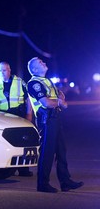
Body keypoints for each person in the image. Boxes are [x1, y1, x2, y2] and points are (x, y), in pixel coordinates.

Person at [27, 57, 84, 193]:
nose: (44, 63)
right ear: (34, 69)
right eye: (41, 63)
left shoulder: (46, 81)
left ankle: (65, 182)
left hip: (54, 118)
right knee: (47, 152)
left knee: (61, 151)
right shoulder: (34, 83)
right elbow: (46, 103)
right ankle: (43, 184)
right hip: (46, 120)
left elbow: (56, 97)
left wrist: (59, 98)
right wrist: (59, 103)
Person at [0, 61, 33, 177]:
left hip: (18, 115)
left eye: (4, 70)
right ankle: (5, 167)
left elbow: (28, 99)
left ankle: (24, 169)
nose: (1, 72)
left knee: (22, 141)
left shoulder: (19, 82)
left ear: (9, 70)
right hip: (2, 117)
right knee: (4, 142)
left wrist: (29, 114)